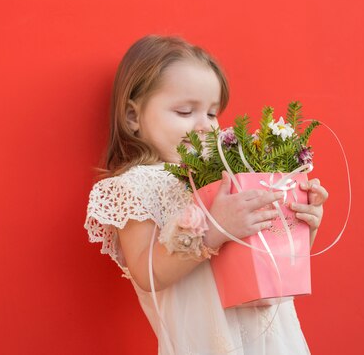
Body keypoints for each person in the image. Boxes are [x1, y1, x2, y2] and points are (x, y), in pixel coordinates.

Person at [84, 35, 329, 355]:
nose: (205, 127)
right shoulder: (136, 186)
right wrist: (215, 230)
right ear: (133, 117)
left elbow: (272, 270)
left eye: (213, 114)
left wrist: (298, 225)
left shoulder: (227, 176)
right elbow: (149, 274)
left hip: (276, 344)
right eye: (185, 112)